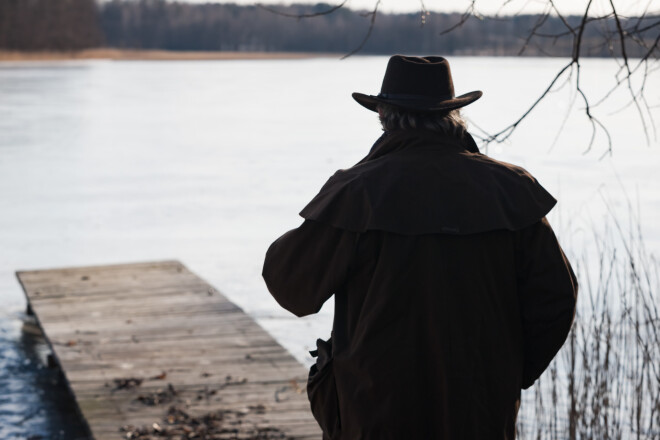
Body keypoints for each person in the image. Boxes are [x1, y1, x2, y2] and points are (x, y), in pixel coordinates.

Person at [262, 55, 577, 440]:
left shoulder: (357, 192)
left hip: (375, 412)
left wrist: (347, 191)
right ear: (454, 116)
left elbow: (290, 287)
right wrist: (506, 371)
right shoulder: (509, 190)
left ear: (383, 116)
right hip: (480, 415)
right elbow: (557, 300)